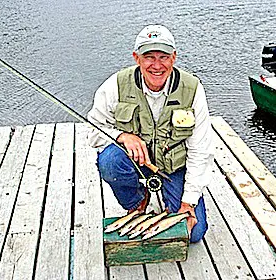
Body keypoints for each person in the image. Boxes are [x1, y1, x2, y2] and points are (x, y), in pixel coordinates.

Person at [87, 24, 214, 243]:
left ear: (174, 57)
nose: (156, 65)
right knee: (109, 161)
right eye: (149, 57)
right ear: (136, 58)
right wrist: (121, 136)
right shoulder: (115, 85)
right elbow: (93, 130)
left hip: (174, 168)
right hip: (135, 164)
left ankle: (171, 200)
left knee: (194, 233)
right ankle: (136, 202)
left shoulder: (192, 89)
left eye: (163, 57)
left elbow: (200, 149)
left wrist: (188, 202)